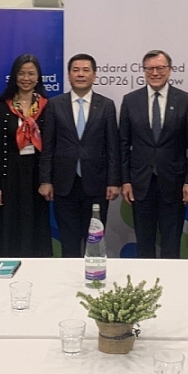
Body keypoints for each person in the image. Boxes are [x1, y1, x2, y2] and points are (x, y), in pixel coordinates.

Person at [119, 50, 188, 259]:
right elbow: (123, 144)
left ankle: (170, 279)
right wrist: (125, 180)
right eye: (150, 69)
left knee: (171, 243)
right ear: (144, 71)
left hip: (174, 183)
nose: (155, 73)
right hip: (140, 184)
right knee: (144, 243)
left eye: (160, 68)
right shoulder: (130, 100)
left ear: (170, 70)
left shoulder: (185, 100)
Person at [39, 54, 120, 258]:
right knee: (69, 242)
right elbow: (48, 146)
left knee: (95, 241)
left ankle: (94, 276)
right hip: (64, 184)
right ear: (68, 75)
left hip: (97, 184)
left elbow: (113, 146)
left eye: (86, 70)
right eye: (76, 70)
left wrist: (113, 181)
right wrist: (45, 180)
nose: (80, 74)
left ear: (94, 75)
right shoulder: (55, 104)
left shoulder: (106, 105)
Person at [0, 54, 53, 257]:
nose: (26, 78)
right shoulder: (2, 107)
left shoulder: (47, 107)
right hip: (10, 177)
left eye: (31, 74)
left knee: (36, 226)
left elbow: (51, 147)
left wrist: (47, 180)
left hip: (36, 177)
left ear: (38, 77)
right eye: (22, 73)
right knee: (10, 226)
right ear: (14, 76)